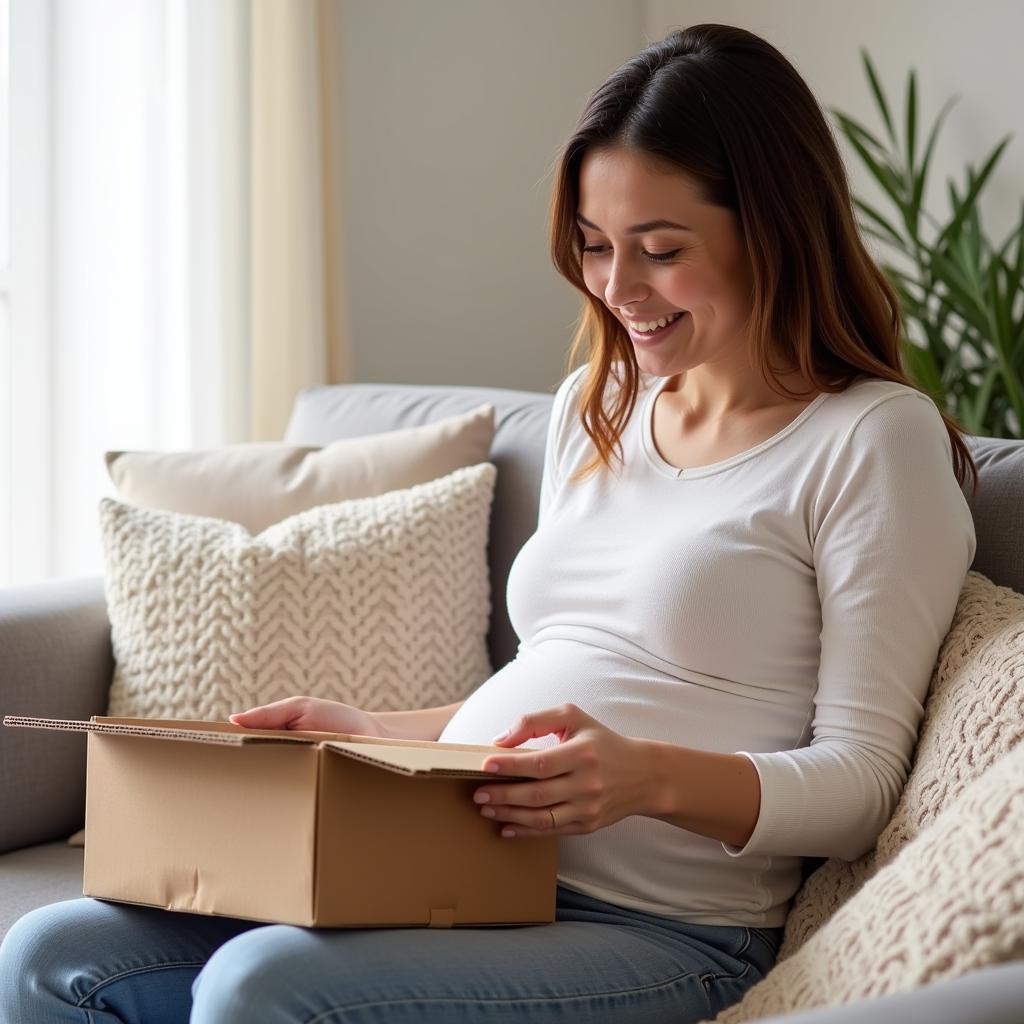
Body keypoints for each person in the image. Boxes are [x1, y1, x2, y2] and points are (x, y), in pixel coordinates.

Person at [0, 23, 978, 1024]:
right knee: (50, 952)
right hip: (456, 870)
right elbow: (557, 683)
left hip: (667, 930)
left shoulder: (870, 440)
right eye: (595, 246)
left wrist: (644, 779)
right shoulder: (595, 406)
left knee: (264, 991)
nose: (616, 287)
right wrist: (380, 733)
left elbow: (861, 784)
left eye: (661, 249)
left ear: (772, 228)